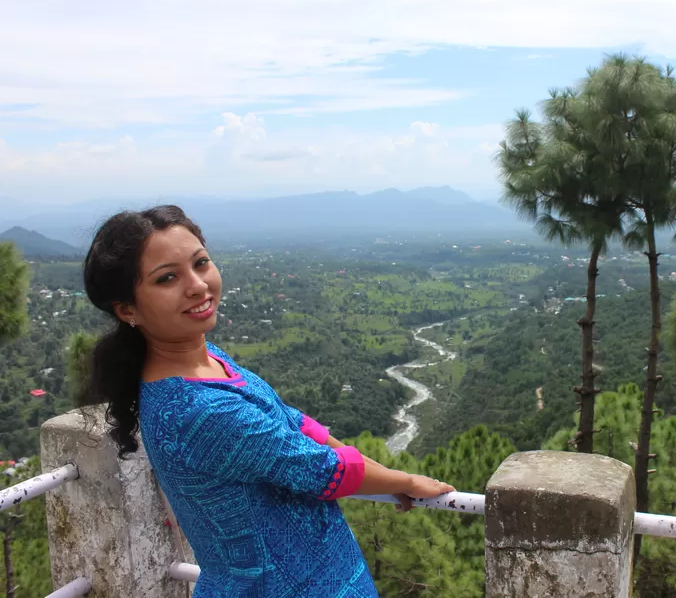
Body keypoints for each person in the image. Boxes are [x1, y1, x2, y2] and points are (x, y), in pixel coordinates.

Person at [76, 205, 454, 597]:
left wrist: (375, 468)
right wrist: (407, 481)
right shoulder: (199, 411)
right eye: (168, 277)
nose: (197, 285)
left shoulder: (209, 360)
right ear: (128, 310)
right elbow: (322, 471)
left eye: (200, 263)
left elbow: (291, 421)